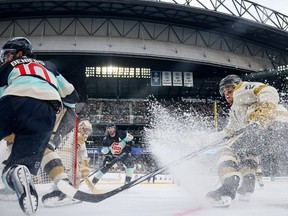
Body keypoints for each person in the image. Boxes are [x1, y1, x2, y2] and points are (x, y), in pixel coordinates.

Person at [0, 37, 79, 215]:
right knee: (27, 159)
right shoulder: (49, 66)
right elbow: (73, 96)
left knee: (13, 147)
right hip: (47, 111)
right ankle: (20, 172)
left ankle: (12, 176)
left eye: (7, 55)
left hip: (13, 101)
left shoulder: (7, 67)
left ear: (19, 53)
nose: (5, 59)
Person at [206, 74, 288, 207]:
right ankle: (247, 186)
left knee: (226, 151)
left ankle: (228, 187)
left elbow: (269, 90)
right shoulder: (236, 111)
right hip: (275, 133)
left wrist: (265, 110)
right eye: (224, 93)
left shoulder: (241, 89)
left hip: (270, 124)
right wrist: (204, 138)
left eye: (229, 91)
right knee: (247, 152)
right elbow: (228, 133)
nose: (227, 95)